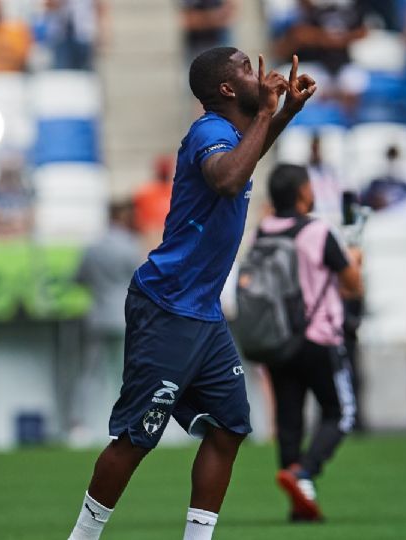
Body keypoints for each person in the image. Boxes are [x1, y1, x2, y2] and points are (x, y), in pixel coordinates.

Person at [66, 48, 316, 540]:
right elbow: (226, 180)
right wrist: (268, 112)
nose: (257, 73)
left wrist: (283, 113)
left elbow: (246, 159)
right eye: (245, 68)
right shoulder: (207, 132)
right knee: (137, 438)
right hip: (168, 305)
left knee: (229, 427)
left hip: (201, 311)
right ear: (225, 89)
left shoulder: (233, 136)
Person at [258, 163, 363, 522]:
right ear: (303, 192)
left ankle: (299, 504)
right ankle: (304, 474)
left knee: (289, 420)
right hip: (319, 336)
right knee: (340, 413)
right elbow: (352, 285)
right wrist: (356, 259)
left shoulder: (265, 229)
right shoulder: (319, 231)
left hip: (277, 338)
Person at [71, 201, 144, 446]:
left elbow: (78, 277)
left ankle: (81, 426)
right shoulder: (130, 246)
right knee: (127, 372)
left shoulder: (93, 247)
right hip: (125, 315)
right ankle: (127, 422)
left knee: (91, 373)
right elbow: (141, 279)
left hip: (97, 315)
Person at [278, 0, 369, 108]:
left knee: (354, 83)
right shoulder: (304, 15)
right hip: (315, 66)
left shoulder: (352, 11)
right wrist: (328, 39)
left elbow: (363, 32)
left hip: (343, 65)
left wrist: (328, 39)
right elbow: (289, 43)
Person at [360, 145, 406, 218]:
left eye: (394, 158)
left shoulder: (405, 187)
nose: (392, 163)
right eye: (390, 158)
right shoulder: (375, 182)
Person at [43, 0, 107, 70]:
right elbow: (48, 6)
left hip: (83, 35)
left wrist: (102, 32)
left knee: (84, 70)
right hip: (61, 36)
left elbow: (99, 8)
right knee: (62, 72)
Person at [0, 161, 34, 237]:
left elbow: (29, 221)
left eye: (12, 176)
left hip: (19, 235)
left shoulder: (25, 194)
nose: (9, 179)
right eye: (6, 175)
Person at [181, 1, 237, 69]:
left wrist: (206, 17)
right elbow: (189, 20)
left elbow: (231, 11)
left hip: (221, 41)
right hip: (198, 46)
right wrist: (216, 16)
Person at [132, 154, 175, 240]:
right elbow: (138, 216)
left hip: (170, 231)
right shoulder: (145, 192)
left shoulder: (175, 190)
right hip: (151, 232)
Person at [306, 134, 343, 225]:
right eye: (314, 149)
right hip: (315, 217)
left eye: (318, 148)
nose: (316, 152)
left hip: (334, 216)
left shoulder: (331, 171)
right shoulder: (306, 171)